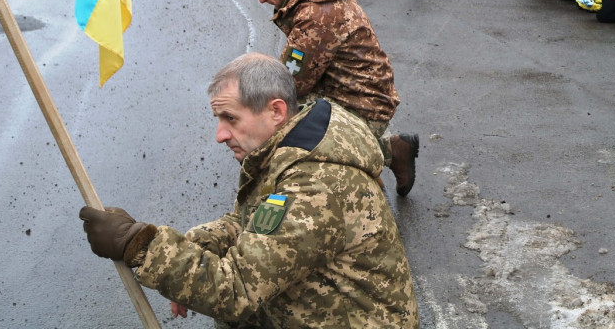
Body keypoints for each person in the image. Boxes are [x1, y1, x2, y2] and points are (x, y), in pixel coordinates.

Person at [78, 54, 419, 327]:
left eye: (231, 119)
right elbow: (252, 221)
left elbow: (236, 288)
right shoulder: (293, 143)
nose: (220, 135)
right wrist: (194, 245)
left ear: (276, 111)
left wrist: (140, 245)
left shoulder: (313, 187)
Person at [243, 0, 418, 195]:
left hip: (362, 106)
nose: (260, 0)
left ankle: (360, 162)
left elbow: (294, 84)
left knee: (279, 114)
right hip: (356, 92)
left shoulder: (315, 14)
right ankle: (392, 151)